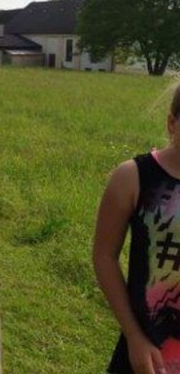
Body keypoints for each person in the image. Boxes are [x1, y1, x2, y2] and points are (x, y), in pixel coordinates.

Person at [93, 85, 180, 374]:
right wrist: (134, 335)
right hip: (149, 355)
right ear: (172, 123)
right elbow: (104, 256)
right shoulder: (134, 177)